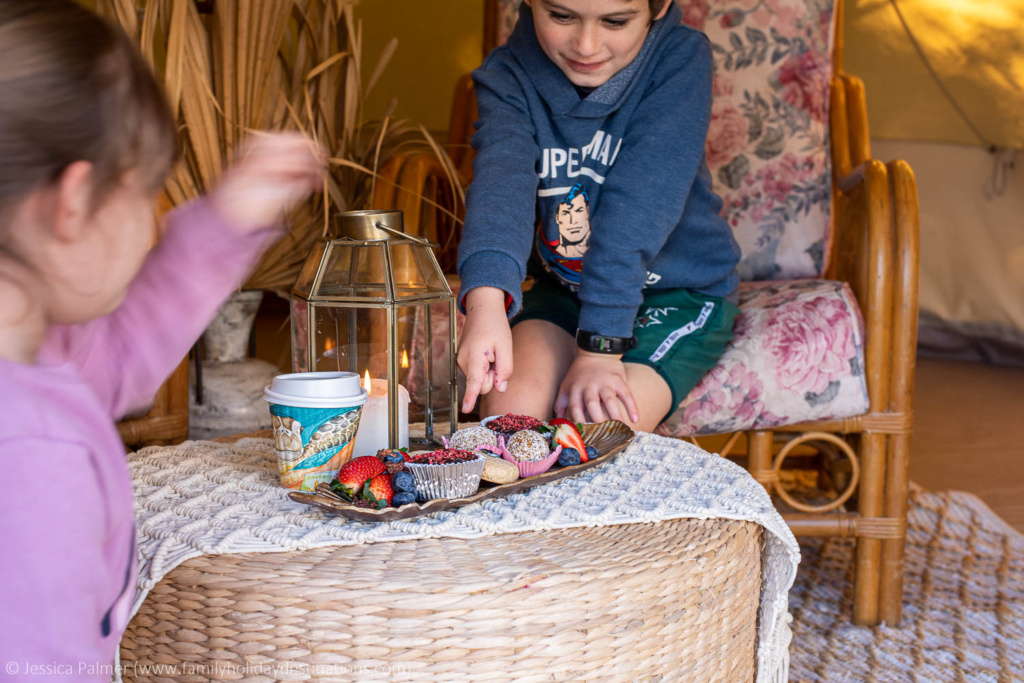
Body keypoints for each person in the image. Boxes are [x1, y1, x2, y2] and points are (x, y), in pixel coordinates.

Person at [0, 1, 323, 674]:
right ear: (72, 204)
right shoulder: (30, 457)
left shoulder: (37, 348)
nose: (151, 222)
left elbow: (118, 353)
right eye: (146, 195)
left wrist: (226, 222)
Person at [457, 0, 742, 433]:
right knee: (510, 421)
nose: (586, 45)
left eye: (615, 21)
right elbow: (501, 187)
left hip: (679, 294)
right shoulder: (508, 73)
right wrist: (487, 303)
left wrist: (598, 351)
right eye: (562, 16)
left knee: (599, 431)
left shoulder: (680, 59)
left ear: (659, 6)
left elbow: (637, 211)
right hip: (565, 290)